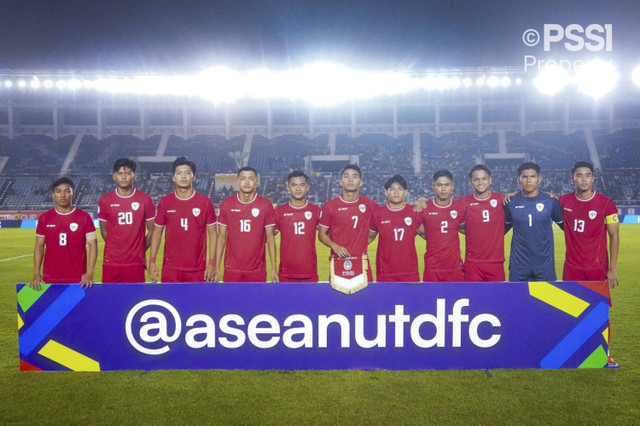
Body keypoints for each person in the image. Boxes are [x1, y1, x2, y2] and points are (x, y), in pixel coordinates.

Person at [148, 157, 217, 283]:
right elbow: (157, 233)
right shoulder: (165, 202)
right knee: (171, 301)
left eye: (187, 173)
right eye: (179, 173)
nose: (183, 176)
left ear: (193, 177)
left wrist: (212, 263)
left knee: (197, 302)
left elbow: (213, 233)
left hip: (197, 268)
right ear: (173, 178)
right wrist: (152, 261)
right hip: (171, 268)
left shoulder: (205, 202)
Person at [30, 177, 98, 290]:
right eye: (58, 191)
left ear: (73, 194)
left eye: (67, 191)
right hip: (50, 277)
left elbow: (93, 245)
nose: (62, 195)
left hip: (78, 278)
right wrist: (36, 273)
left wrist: (90, 273)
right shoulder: (44, 218)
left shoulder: (84, 217)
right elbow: (39, 246)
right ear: (53, 195)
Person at [559, 161, 619, 286]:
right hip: (572, 267)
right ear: (573, 179)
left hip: (597, 266)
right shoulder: (563, 201)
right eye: (579, 175)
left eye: (587, 175)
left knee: (597, 305)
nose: (584, 179)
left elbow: (614, 236)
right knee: (570, 304)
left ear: (593, 178)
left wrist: (612, 268)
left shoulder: (606, 203)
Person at [215, 166, 278, 282]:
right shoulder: (226, 204)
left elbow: (270, 238)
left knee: (256, 300)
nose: (247, 182)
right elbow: (221, 237)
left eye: (251, 179)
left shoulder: (265, 205)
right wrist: (216, 267)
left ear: (256, 182)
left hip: (257, 269)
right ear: (238, 181)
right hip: (232, 269)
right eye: (243, 178)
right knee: (231, 300)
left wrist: (274, 268)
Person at [98, 158, 155, 283]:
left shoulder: (145, 200)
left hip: (135, 263)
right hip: (111, 263)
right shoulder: (105, 200)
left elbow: (153, 230)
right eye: (120, 173)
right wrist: (115, 249)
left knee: (135, 300)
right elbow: (104, 230)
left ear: (134, 176)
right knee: (110, 300)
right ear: (114, 177)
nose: (123, 177)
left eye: (127, 173)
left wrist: (140, 249)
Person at [504, 162, 563, 281]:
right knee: (517, 299)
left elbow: (568, 228)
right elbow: (499, 231)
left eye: (533, 176)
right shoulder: (510, 202)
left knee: (546, 299)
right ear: (518, 180)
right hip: (518, 266)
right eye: (524, 177)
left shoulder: (550, 201)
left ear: (539, 179)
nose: (529, 180)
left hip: (544, 266)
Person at [318, 164, 377, 282]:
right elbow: (321, 234)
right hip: (338, 260)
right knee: (338, 298)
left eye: (354, 176)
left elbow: (387, 214)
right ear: (341, 182)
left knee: (365, 299)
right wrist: (335, 246)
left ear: (360, 182)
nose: (350, 179)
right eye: (346, 176)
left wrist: (363, 242)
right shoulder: (330, 205)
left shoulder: (369, 204)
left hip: (361, 261)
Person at [368, 174, 422, 282]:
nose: (396, 192)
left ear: (405, 192)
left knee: (410, 299)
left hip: (409, 272)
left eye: (400, 189)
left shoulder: (414, 212)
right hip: (385, 273)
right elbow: (367, 238)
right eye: (392, 189)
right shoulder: (377, 214)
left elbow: (429, 236)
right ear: (386, 192)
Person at [459, 164, 506, 281]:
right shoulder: (463, 202)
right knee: (473, 298)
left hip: (495, 262)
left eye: (484, 179)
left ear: (490, 180)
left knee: (497, 298)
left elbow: (523, 197)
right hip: (473, 262)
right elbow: (457, 225)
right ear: (471, 182)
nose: (480, 182)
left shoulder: (502, 199)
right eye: (476, 179)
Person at [418, 169, 465, 282]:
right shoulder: (424, 208)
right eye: (439, 185)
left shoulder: (459, 207)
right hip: (432, 267)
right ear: (433, 186)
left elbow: (464, 228)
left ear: (452, 186)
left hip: (454, 267)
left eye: (447, 185)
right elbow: (421, 231)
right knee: (431, 298)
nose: (443, 189)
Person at [275, 171, 321, 282]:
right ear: (288, 187)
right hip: (286, 272)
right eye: (294, 185)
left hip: (309, 271)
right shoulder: (279, 211)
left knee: (310, 300)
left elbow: (327, 235)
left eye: (301, 185)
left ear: (307, 187)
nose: (298, 188)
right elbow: (267, 237)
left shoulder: (316, 210)